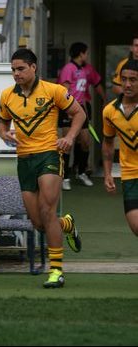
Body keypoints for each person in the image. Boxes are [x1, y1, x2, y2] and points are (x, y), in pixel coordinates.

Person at [0, 48, 86, 288]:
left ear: (33, 67)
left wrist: (69, 138)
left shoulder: (54, 90)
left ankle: (56, 271)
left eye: (21, 69)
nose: (16, 74)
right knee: (38, 223)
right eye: (13, 70)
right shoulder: (6, 95)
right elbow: (2, 123)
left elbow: (79, 114)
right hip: (24, 159)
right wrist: (5, 134)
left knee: (47, 211)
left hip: (49, 154)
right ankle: (67, 224)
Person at [57, 42, 106, 190]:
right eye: (86, 53)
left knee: (85, 142)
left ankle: (82, 172)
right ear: (81, 54)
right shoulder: (68, 69)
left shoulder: (87, 69)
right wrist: (68, 109)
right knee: (67, 144)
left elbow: (95, 85)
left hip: (82, 110)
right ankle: (64, 176)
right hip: (68, 109)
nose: (87, 55)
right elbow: (64, 92)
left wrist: (104, 101)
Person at [102, 59, 138, 240]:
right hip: (130, 174)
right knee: (136, 226)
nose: (127, 84)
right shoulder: (110, 111)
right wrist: (108, 173)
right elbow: (108, 142)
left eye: (133, 80)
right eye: (124, 79)